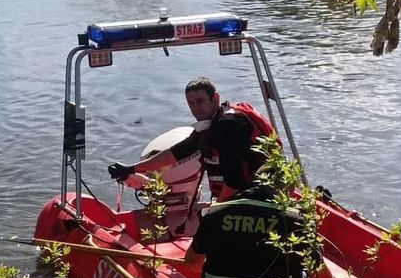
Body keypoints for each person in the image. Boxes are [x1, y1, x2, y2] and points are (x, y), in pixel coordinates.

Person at [108, 77, 275, 202]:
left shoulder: (227, 126)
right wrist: (132, 169)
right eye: (191, 103)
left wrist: (215, 210)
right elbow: (177, 152)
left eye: (201, 101)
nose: (196, 108)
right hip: (246, 194)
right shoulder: (212, 124)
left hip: (256, 198)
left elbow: (234, 180)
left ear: (215, 98)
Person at [184, 173, 312, 278]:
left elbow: (192, 262)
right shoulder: (296, 220)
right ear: (287, 192)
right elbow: (314, 269)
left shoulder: (217, 212)